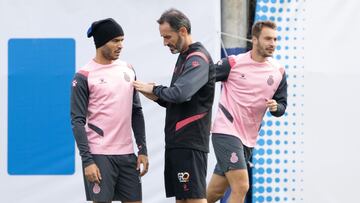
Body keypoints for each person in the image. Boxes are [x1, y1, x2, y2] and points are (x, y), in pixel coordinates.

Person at [133, 8, 215, 203]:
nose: (165, 42)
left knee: (194, 199)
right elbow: (177, 100)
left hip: (190, 143)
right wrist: (152, 94)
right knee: (182, 199)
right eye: (162, 37)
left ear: (183, 31)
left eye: (167, 37)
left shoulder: (198, 58)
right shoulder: (184, 56)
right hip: (178, 143)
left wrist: (154, 89)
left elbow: (180, 93)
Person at [206, 20, 288, 203]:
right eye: (268, 38)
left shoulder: (279, 71)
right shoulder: (233, 63)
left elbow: (282, 105)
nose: (272, 43)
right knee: (241, 186)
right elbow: (202, 80)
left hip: (248, 138)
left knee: (215, 192)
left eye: (275, 39)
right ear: (255, 40)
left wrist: (276, 107)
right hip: (226, 131)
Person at [70, 18, 149, 203]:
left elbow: (136, 111)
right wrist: (87, 161)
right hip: (99, 155)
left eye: (122, 40)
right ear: (100, 43)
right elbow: (77, 121)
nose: (120, 45)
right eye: (115, 41)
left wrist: (142, 150)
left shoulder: (128, 69)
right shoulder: (83, 76)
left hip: (128, 154)